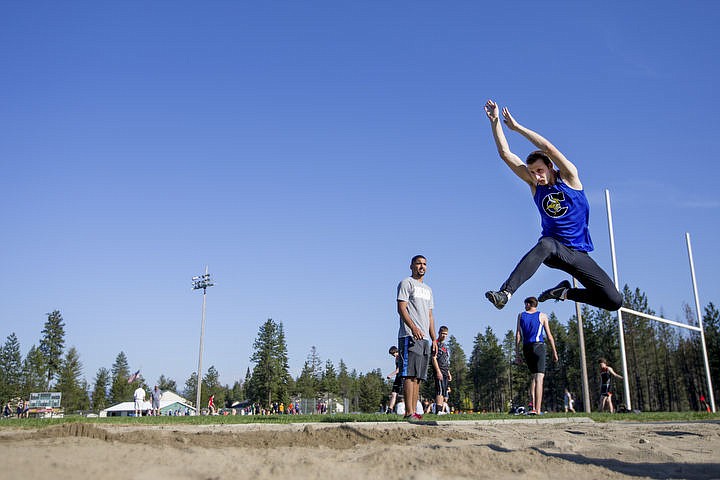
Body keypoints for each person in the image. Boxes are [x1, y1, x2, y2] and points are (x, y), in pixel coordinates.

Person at [483, 100, 622, 312]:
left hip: (578, 255)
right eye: (532, 172)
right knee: (546, 243)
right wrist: (495, 123)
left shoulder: (569, 178)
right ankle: (506, 293)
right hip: (554, 250)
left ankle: (564, 293)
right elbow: (506, 154)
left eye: (539, 170)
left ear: (550, 166)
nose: (536, 176)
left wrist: (517, 128)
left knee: (614, 301)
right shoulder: (534, 186)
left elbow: (548, 148)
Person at [397, 254, 437, 421]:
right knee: (408, 374)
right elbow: (401, 308)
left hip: (425, 339)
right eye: (419, 263)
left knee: (418, 377)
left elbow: (430, 315)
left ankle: (415, 412)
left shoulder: (428, 290)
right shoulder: (406, 283)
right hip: (409, 335)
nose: (422, 267)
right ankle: (408, 412)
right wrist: (413, 327)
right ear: (412, 266)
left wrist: (434, 339)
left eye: (424, 264)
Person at [516, 297, 558, 414]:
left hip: (526, 348)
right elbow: (549, 336)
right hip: (538, 346)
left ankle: (533, 406)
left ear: (529, 304)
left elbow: (518, 335)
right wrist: (554, 352)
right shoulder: (542, 316)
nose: (525, 306)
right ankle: (538, 409)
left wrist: (517, 353)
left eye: (525, 304)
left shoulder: (520, 316)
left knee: (534, 377)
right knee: (540, 378)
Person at [431, 325, 452, 415]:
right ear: (439, 333)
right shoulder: (435, 343)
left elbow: (446, 360)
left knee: (444, 390)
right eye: (442, 333)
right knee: (439, 390)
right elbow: (433, 358)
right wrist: (438, 371)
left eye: (446, 334)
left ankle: (441, 410)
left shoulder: (444, 346)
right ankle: (438, 410)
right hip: (438, 369)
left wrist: (448, 373)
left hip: (445, 370)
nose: (444, 335)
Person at [386, 345, 403, 414]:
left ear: (396, 351)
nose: (393, 355)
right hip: (397, 377)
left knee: (403, 395)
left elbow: (399, 369)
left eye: (393, 354)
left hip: (402, 377)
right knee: (393, 393)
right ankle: (390, 409)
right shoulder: (396, 359)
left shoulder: (400, 357)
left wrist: (391, 375)